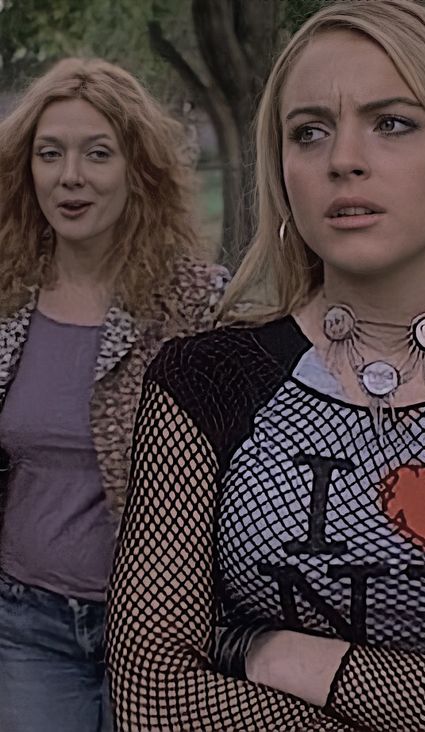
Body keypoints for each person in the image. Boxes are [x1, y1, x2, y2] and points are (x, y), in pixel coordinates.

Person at [106, 1, 425, 730]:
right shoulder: (203, 383)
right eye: (309, 132)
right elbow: (151, 694)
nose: (341, 158)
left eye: (391, 123)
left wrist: (277, 656)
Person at [0, 58, 228, 732]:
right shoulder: (7, 300)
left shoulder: (196, 304)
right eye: (51, 154)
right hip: (26, 624)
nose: (71, 176)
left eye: (98, 154)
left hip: (163, 630)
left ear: (137, 170)